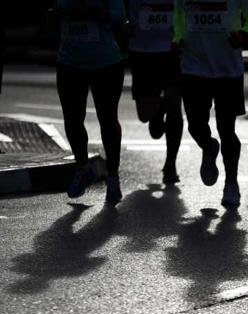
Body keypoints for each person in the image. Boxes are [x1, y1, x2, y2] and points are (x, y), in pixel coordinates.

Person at [173, 0, 248, 207]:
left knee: (226, 129)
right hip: (194, 66)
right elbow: (178, 14)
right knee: (195, 125)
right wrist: (178, 37)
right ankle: (209, 146)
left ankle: (231, 183)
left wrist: (244, 33)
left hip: (227, 69)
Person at [54, 0, 126, 204]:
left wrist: (94, 11)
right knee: (72, 118)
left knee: (108, 120)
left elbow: (119, 17)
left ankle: (112, 176)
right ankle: (83, 167)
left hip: (106, 63)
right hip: (69, 62)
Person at [127, 0, 183, 183]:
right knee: (145, 116)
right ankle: (159, 107)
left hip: (172, 50)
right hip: (142, 52)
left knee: (175, 107)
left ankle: (170, 164)